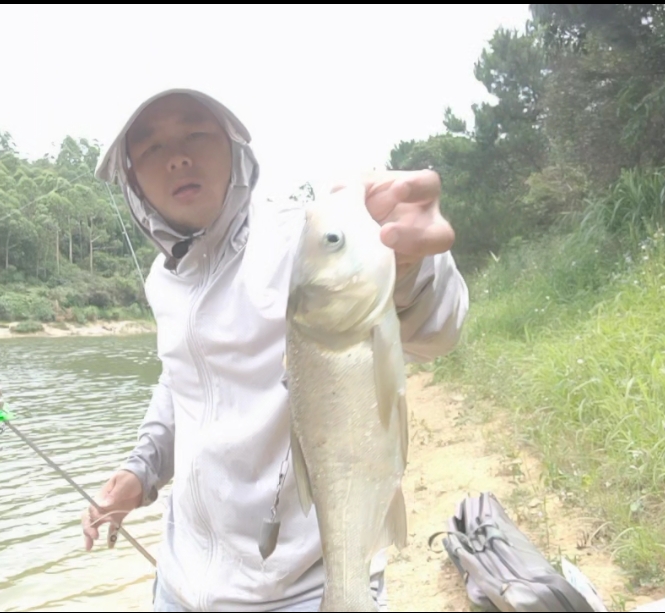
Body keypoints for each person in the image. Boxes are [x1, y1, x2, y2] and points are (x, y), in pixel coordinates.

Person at [81, 88, 470, 612]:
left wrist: (409, 262)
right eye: (151, 146)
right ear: (130, 176)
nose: (176, 158)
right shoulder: (162, 279)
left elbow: (434, 330)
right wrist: (141, 471)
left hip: (306, 592)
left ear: (234, 146)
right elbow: (182, 380)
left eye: (195, 131)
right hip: (178, 585)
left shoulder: (302, 238)